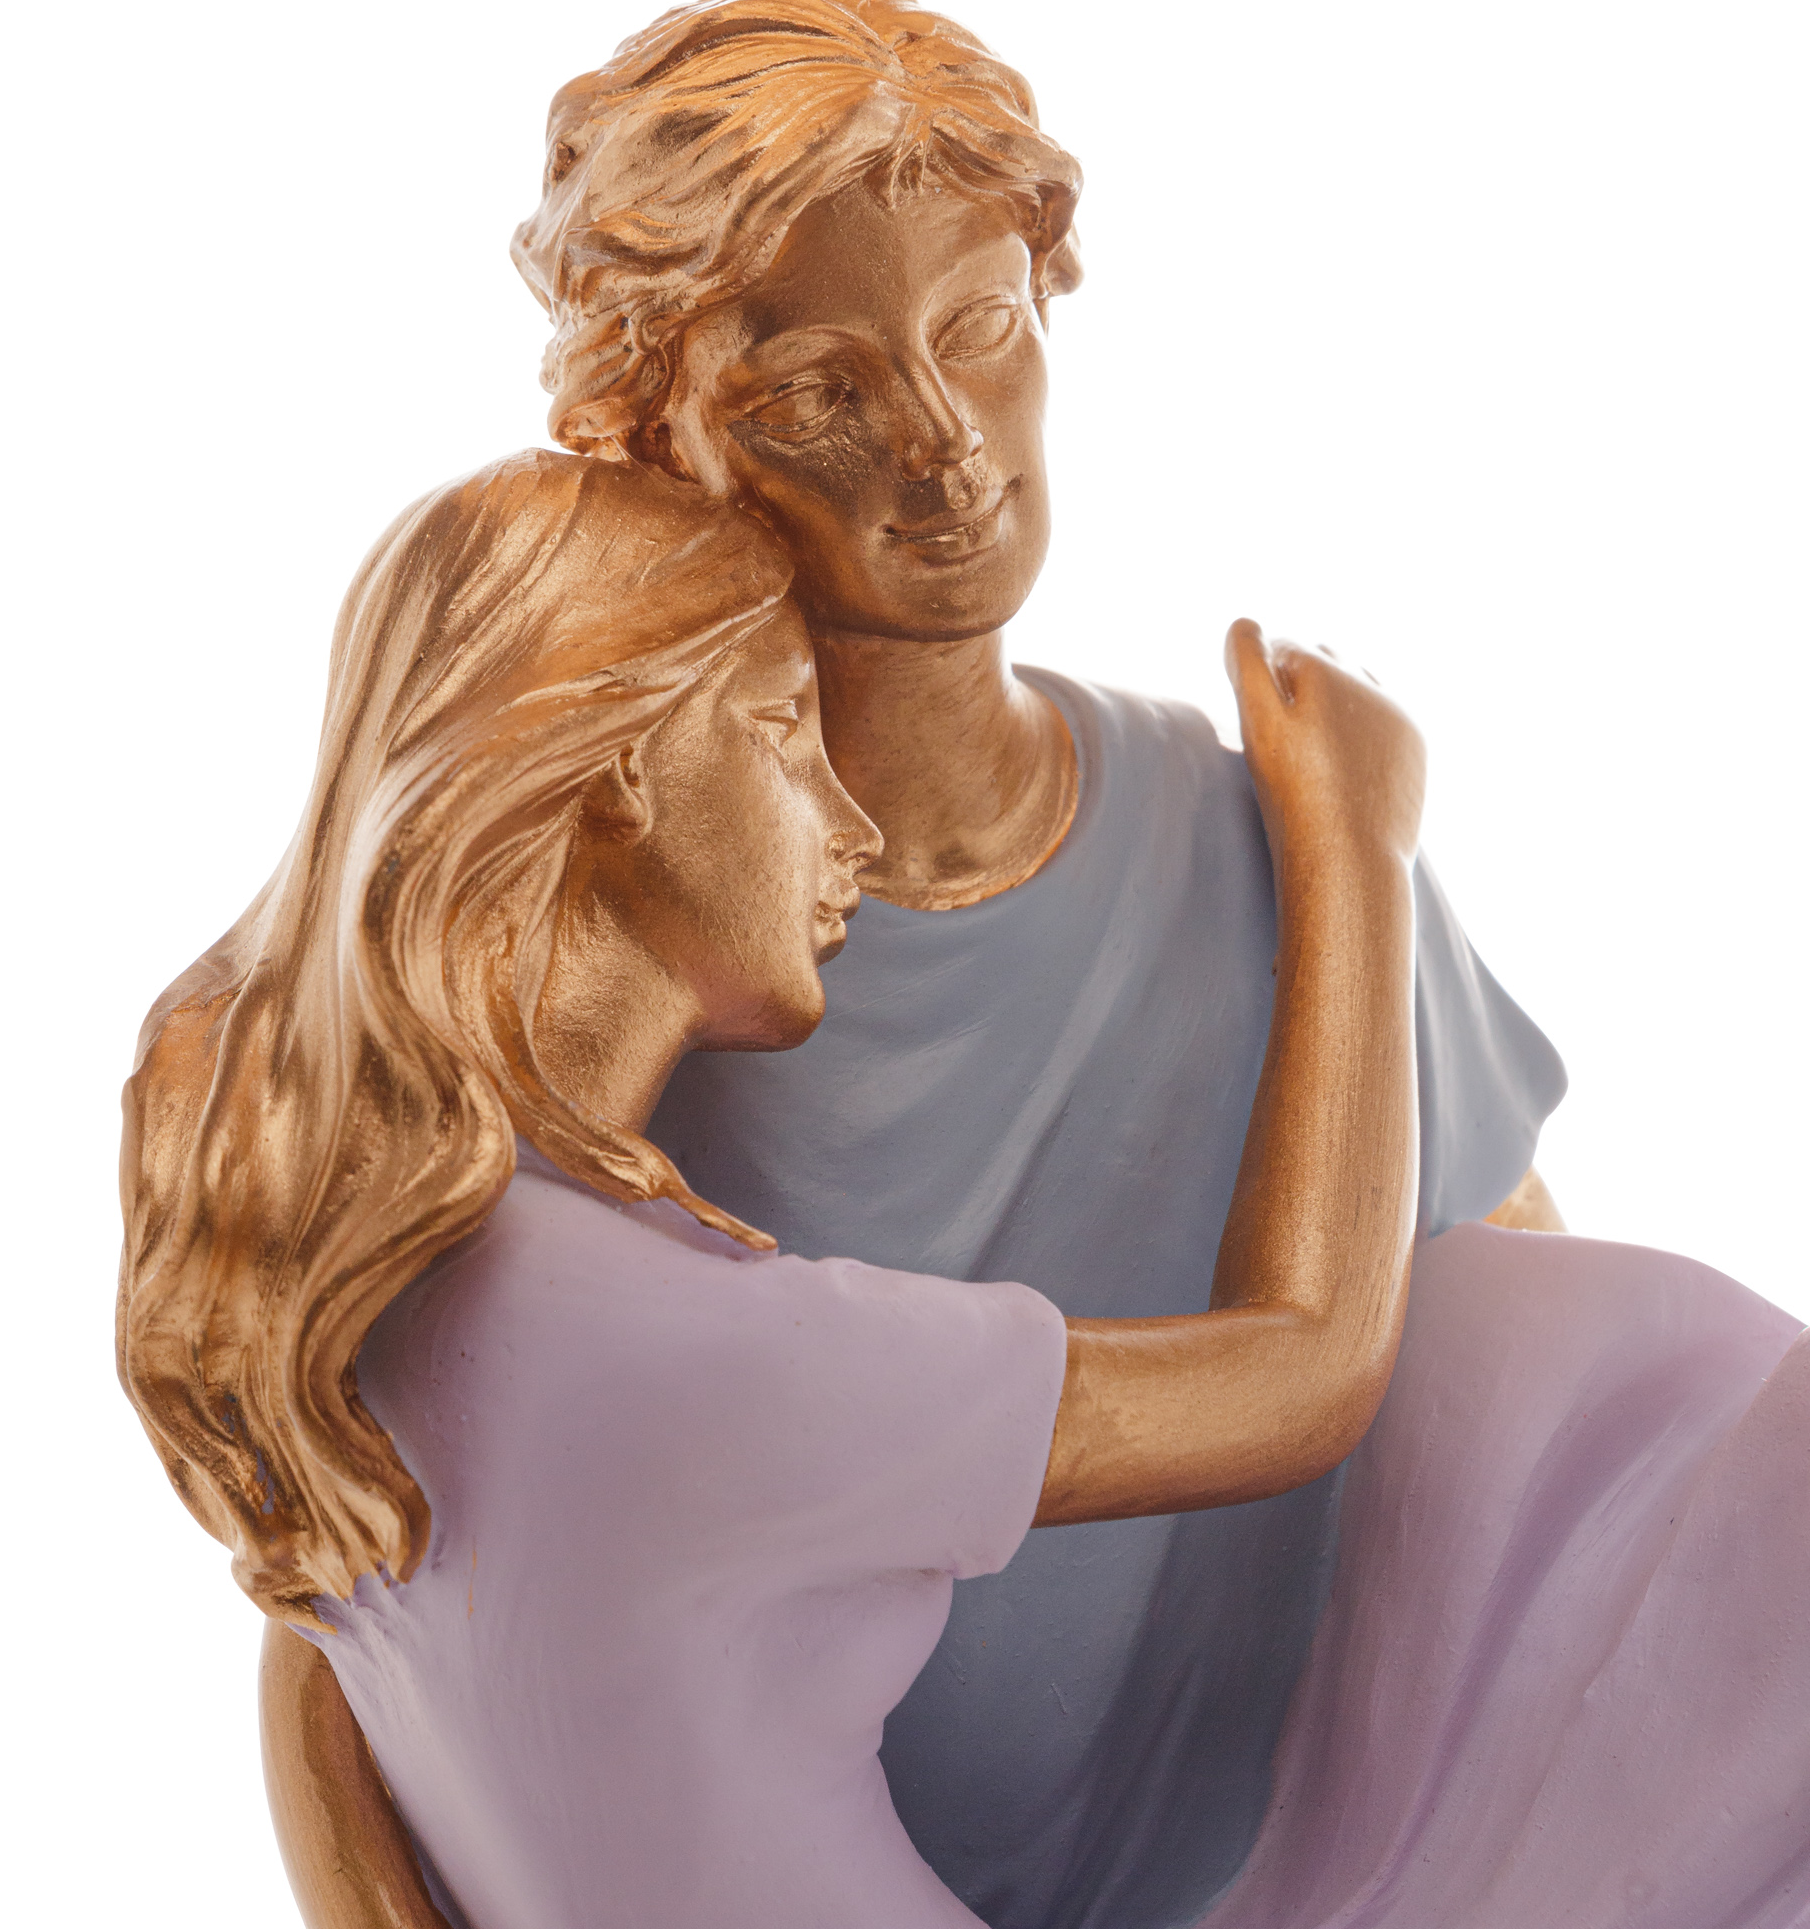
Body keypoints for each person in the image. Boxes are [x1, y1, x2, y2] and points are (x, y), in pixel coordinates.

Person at [264, 0, 1567, 1929]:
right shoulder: (610, 945)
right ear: (650, 432)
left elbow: (1537, 1401)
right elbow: (362, 1554)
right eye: (817, 390)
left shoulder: (1256, 844)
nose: (943, 444)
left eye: (979, 328)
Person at [118, 446, 1430, 1929]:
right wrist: (1358, 849)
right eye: (785, 731)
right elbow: (1303, 1371)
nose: (848, 825)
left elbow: (330, 1688)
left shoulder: (360, 1277)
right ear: (622, 771)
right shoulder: (659, 1348)